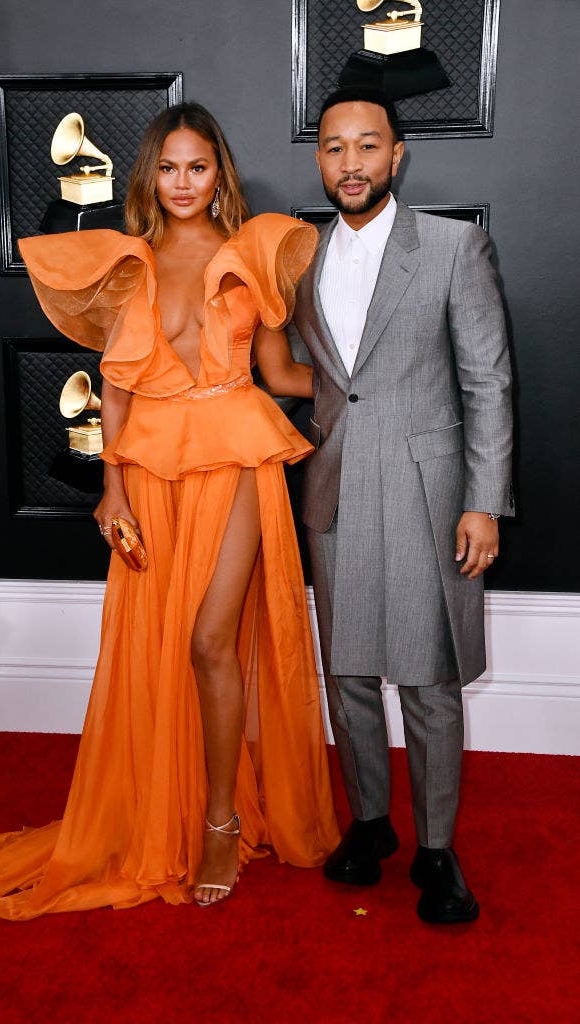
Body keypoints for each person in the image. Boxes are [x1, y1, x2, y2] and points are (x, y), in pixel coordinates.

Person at [0, 102, 340, 917]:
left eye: (198, 166)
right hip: (150, 472)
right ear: (148, 178)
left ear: (218, 173)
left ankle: (220, 822)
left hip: (234, 455)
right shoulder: (129, 263)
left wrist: (373, 385)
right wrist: (111, 487)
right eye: (169, 168)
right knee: (160, 640)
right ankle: (167, 806)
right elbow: (116, 392)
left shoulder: (249, 254)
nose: (183, 182)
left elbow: (279, 372)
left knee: (209, 638)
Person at [289, 88, 514, 924]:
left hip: (430, 488)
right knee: (346, 671)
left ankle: (436, 849)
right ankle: (372, 825)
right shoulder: (296, 258)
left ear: (396, 154)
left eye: (366, 146)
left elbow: (486, 380)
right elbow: (302, 373)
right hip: (334, 482)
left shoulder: (455, 247)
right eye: (333, 148)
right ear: (321, 160)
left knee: (427, 675)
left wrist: (483, 502)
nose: (349, 163)